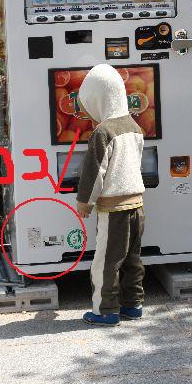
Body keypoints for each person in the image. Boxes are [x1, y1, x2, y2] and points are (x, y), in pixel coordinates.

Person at [76, 64, 145, 327]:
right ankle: (133, 305)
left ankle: (105, 311)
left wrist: (85, 203)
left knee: (106, 262)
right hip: (137, 206)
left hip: (113, 209)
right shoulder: (134, 127)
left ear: (98, 99)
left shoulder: (103, 132)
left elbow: (95, 172)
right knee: (132, 260)